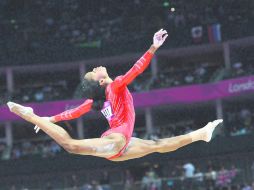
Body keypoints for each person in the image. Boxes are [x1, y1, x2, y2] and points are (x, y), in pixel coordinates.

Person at [7, 29, 223, 162]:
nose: (97, 67)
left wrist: (53, 118)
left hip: (121, 145)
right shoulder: (115, 85)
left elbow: (73, 112)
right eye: (94, 71)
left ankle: (201, 134)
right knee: (71, 146)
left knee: (158, 145)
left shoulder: (101, 97)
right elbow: (136, 70)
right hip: (117, 140)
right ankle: (30, 115)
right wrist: (153, 48)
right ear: (101, 80)